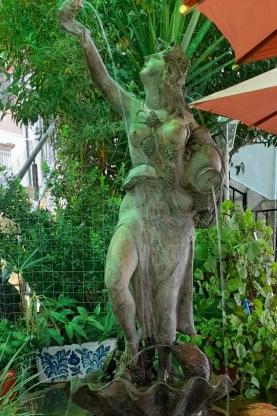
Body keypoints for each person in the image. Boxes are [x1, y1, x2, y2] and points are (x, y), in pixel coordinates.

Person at [59, 0, 223, 382]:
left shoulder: (185, 119)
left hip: (171, 219)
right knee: (115, 278)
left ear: (165, 75)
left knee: (165, 316)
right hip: (135, 209)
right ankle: (132, 347)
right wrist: (84, 37)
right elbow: (103, 80)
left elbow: (211, 159)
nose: (147, 59)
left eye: (155, 59)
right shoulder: (131, 107)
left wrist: (208, 180)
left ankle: (163, 378)